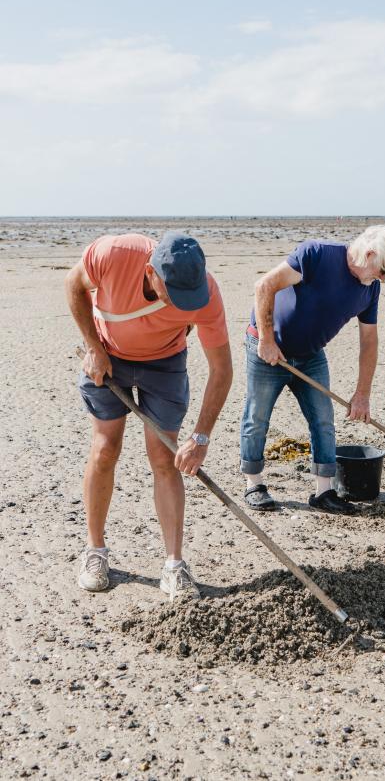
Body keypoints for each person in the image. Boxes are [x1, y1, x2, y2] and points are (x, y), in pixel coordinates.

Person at [65, 232, 232, 599]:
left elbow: (221, 370)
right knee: (105, 448)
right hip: (107, 355)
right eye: (174, 295)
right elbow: (73, 284)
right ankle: (95, 552)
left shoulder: (205, 292)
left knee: (164, 458)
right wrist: (94, 348)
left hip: (165, 363)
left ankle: (174, 565)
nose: (182, 306)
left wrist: (200, 437)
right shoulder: (113, 254)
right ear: (150, 272)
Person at [240, 225, 385, 513]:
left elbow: (369, 341)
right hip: (267, 351)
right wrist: (266, 340)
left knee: (323, 420)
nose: (384, 279)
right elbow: (264, 286)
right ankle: (254, 484)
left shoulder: (370, 290)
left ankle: (323, 492)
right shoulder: (316, 255)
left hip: (311, 356)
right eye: (383, 270)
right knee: (257, 417)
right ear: (369, 254)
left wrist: (362, 394)